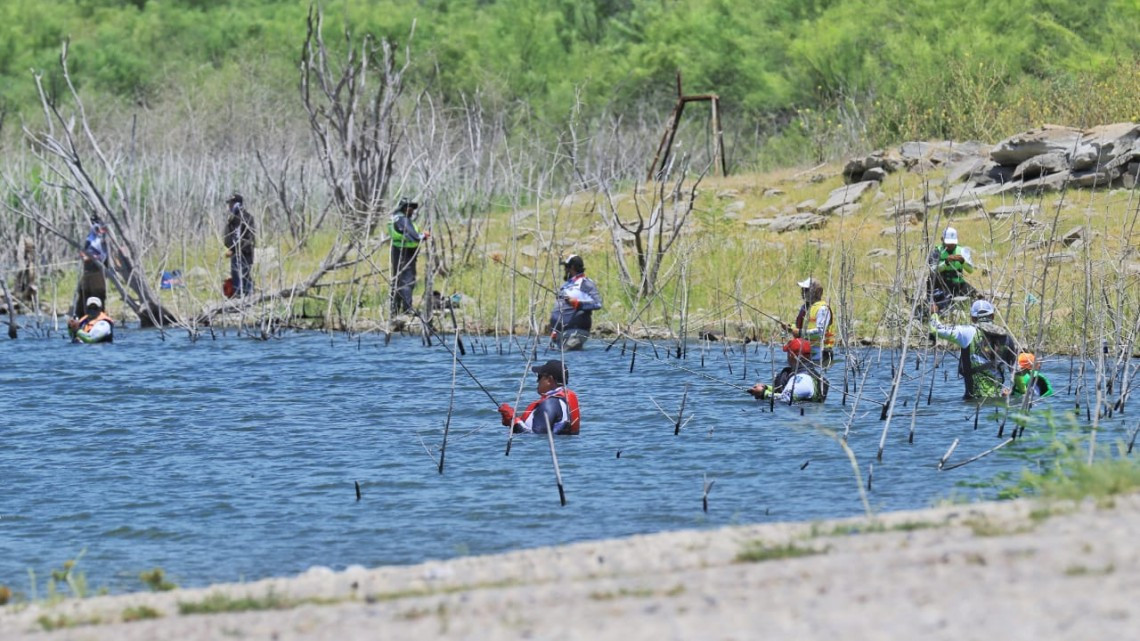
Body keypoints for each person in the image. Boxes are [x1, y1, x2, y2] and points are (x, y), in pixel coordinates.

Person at [930, 299, 1018, 401]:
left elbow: (935, 329)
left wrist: (934, 313)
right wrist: (1013, 392)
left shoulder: (966, 332)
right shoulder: (1007, 338)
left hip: (974, 401)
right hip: (997, 403)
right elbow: (1017, 372)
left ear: (973, 318)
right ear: (993, 316)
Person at [498, 360, 581, 435]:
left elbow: (537, 437)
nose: (537, 381)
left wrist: (513, 421)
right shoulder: (560, 401)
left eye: (539, 377)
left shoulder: (550, 404)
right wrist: (513, 417)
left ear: (549, 380)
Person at [747, 338, 828, 404]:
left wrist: (763, 393)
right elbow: (788, 391)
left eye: (788, 353)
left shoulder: (802, 379)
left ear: (791, 355)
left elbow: (785, 398)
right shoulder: (809, 376)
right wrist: (766, 387)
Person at [549, 254, 602, 350]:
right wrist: (555, 331)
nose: (564, 269)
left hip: (575, 332)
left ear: (572, 267)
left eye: (566, 267)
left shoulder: (585, 283)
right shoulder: (566, 285)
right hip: (562, 334)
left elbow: (597, 304)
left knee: (569, 361)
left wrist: (578, 304)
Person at [388, 197, 429, 316]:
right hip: (405, 252)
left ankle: (394, 309)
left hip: (397, 251)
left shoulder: (395, 218)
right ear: (404, 208)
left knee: (397, 280)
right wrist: (423, 236)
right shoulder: (403, 220)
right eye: (409, 208)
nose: (412, 210)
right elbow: (413, 235)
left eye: (412, 208)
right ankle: (407, 309)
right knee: (407, 280)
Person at [927, 226, 976, 312]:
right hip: (941, 286)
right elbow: (933, 270)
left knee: (977, 297)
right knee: (944, 305)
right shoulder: (936, 252)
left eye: (952, 243)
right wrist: (946, 263)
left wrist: (963, 262)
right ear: (942, 240)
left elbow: (971, 270)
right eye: (948, 243)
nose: (950, 245)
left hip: (958, 285)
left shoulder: (962, 251)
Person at [789, 277, 835, 367]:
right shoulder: (806, 307)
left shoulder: (823, 309)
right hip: (806, 353)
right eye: (802, 289)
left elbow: (820, 332)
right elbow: (803, 326)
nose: (802, 292)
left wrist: (800, 332)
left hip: (821, 355)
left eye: (806, 290)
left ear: (818, 292)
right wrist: (791, 327)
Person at [76, 219, 109, 318]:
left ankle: (99, 316)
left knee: (98, 295)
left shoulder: (104, 238)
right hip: (87, 272)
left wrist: (95, 258)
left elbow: (104, 255)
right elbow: (84, 252)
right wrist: (85, 257)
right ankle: (82, 317)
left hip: (98, 271)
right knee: (84, 294)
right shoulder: (89, 239)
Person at [224, 193, 255, 297]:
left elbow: (246, 238)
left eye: (231, 204)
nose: (229, 206)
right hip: (237, 254)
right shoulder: (233, 218)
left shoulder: (245, 218)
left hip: (244, 254)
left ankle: (244, 301)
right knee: (239, 279)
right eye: (229, 204)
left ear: (237, 204)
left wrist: (233, 249)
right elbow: (229, 238)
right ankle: (242, 299)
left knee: (243, 279)